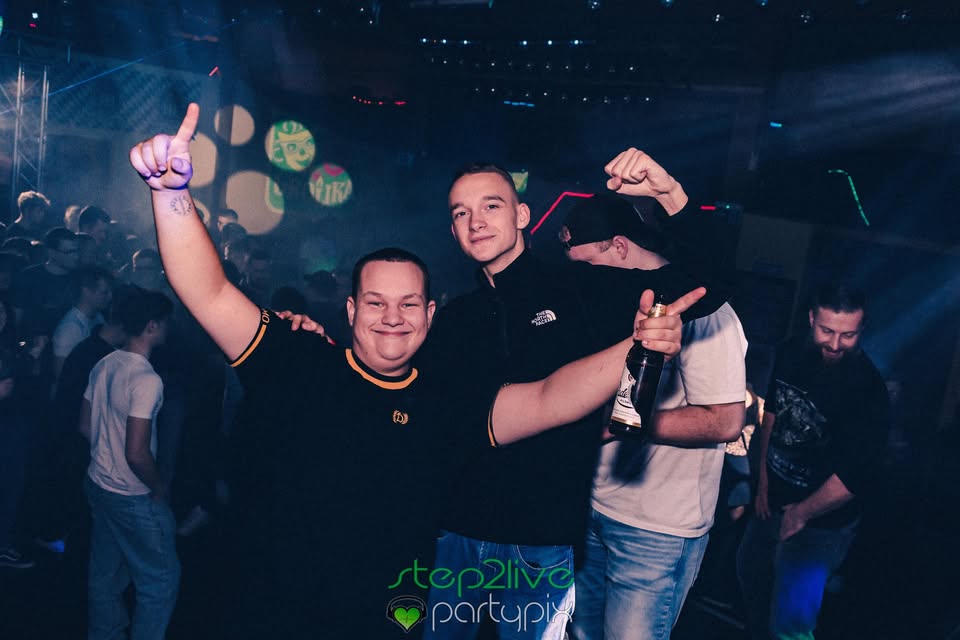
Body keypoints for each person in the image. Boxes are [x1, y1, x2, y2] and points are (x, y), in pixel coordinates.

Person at [129, 103, 699, 638]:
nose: (391, 317)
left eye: (407, 304)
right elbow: (207, 291)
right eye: (375, 302)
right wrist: (170, 193)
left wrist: (636, 346)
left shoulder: (443, 397)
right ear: (350, 309)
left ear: (430, 315)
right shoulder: (297, 361)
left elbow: (551, 396)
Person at [421, 152, 734, 639]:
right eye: (461, 212)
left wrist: (670, 193)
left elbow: (708, 282)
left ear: (522, 215)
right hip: (458, 533)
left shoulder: (579, 288)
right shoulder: (454, 318)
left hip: (541, 541)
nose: (475, 221)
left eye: (491, 206)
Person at [558, 192, 747, 640]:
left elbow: (725, 421)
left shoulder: (704, 309)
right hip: (590, 508)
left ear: (620, 246)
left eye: (589, 264)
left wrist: (617, 424)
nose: (584, 278)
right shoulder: (606, 302)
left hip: (656, 530)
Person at [736, 284, 890, 640]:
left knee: (791, 622)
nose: (835, 344)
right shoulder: (791, 352)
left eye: (848, 335)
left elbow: (853, 477)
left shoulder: (869, 391)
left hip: (822, 523)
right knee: (750, 578)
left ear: (862, 329)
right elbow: (771, 416)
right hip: (771, 503)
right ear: (811, 319)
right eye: (827, 331)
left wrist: (801, 514)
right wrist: (763, 482)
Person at [80, 288, 179, 640]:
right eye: (166, 322)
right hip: (131, 496)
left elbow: (85, 426)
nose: (169, 328)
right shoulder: (146, 380)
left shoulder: (105, 362)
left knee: (104, 577)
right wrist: (159, 487)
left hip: (98, 484)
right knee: (160, 582)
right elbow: (136, 453)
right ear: (152, 326)